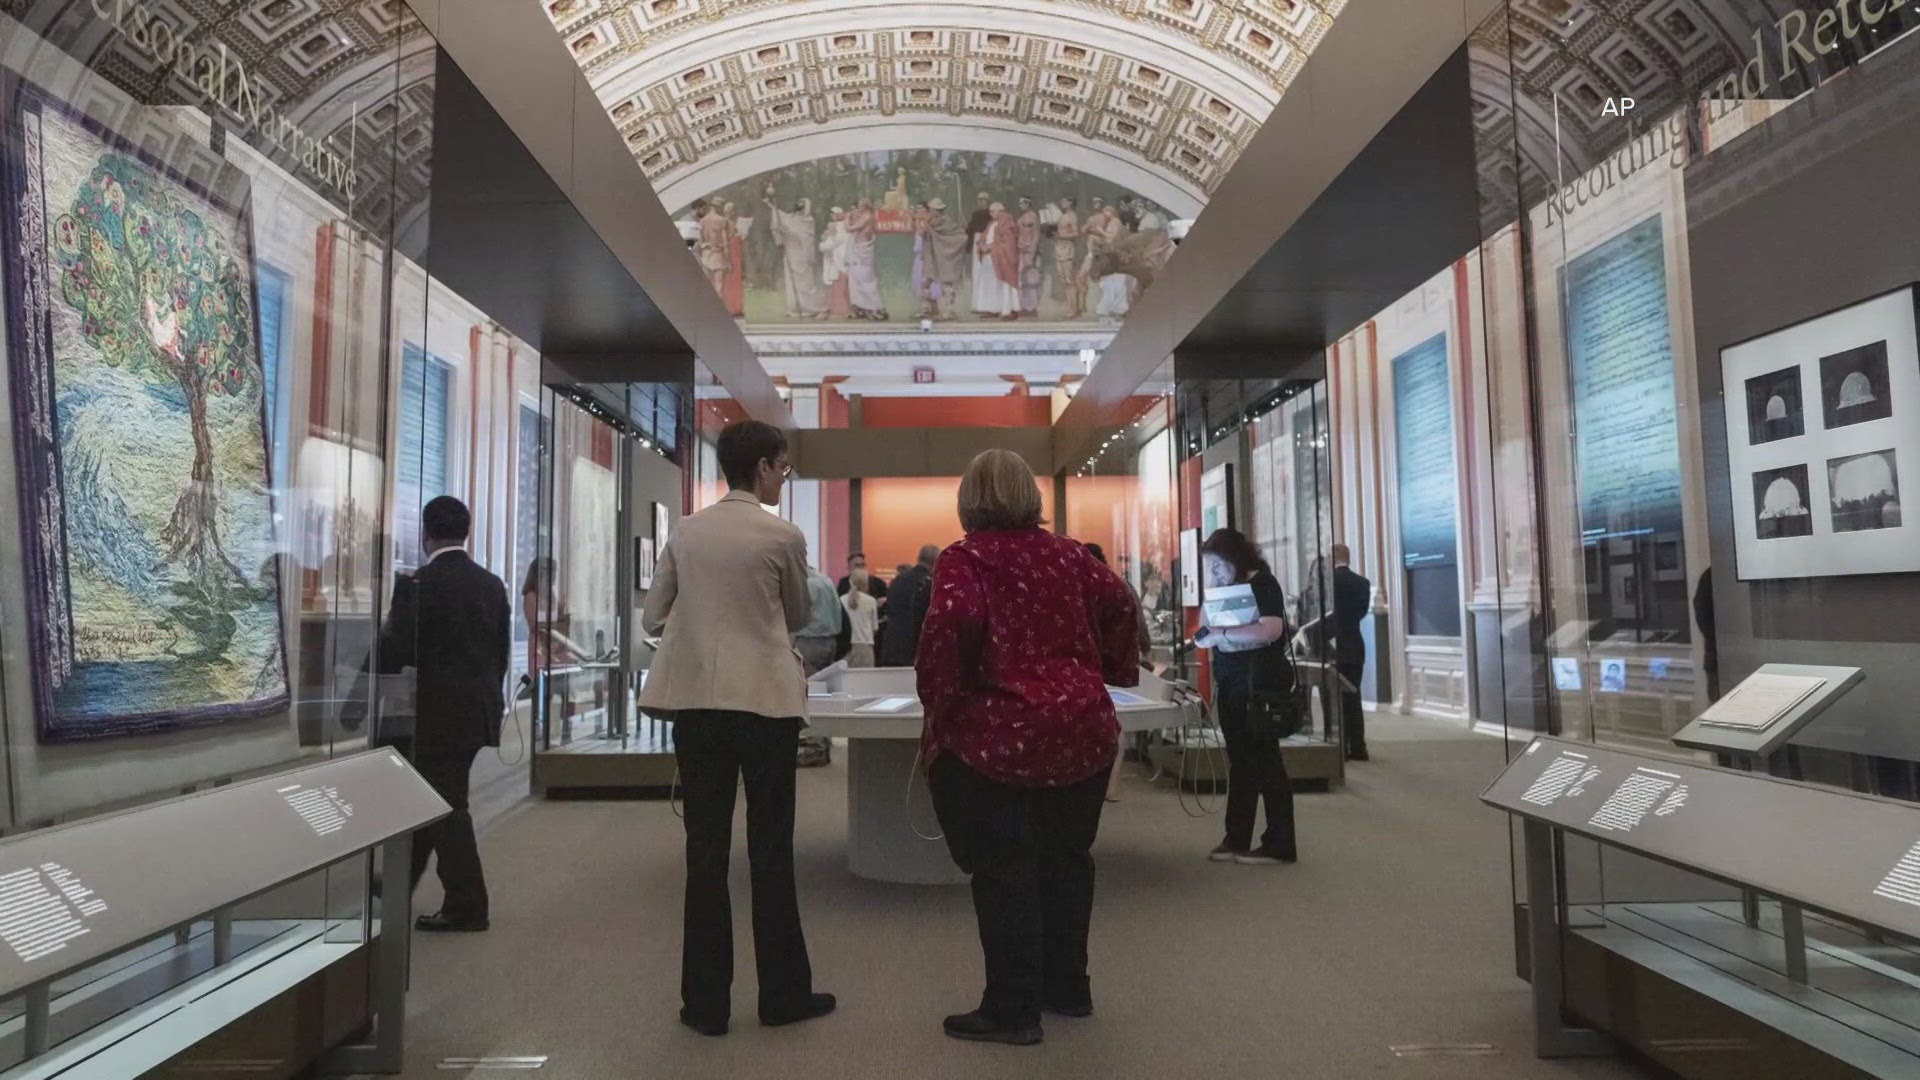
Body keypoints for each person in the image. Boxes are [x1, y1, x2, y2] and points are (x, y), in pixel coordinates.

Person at [919, 450, 1140, 1046]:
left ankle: (1013, 1008)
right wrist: (1114, 671)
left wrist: (940, 706)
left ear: (969, 500)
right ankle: (1067, 987)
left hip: (1000, 740)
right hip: (1083, 733)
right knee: (1068, 860)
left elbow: (951, 624)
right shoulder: (1071, 554)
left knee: (1004, 868)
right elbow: (1123, 604)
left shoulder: (966, 560)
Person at [639, 420, 835, 1037]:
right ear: (763, 467)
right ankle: (782, 995)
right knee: (771, 852)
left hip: (698, 705)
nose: (784, 475)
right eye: (783, 466)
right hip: (766, 705)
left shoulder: (689, 531)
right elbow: (799, 613)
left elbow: (654, 612)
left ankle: (705, 1005)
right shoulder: (781, 535)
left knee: (705, 852)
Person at [363, 496, 511, 932]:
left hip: (435, 715)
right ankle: (396, 883)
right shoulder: (491, 583)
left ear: (425, 533)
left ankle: (468, 903)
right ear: (465, 531)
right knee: (433, 795)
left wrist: (360, 681)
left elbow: (395, 650)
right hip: (477, 710)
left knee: (446, 806)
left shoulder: (418, 584)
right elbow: (499, 651)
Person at [1197, 527, 1297, 866]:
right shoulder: (1231, 587)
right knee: (1241, 762)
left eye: (1218, 566)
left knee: (1266, 761)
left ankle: (1279, 843)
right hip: (1234, 682)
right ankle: (1236, 837)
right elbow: (1204, 624)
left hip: (1258, 684)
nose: (1215, 574)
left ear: (1235, 558)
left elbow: (1271, 629)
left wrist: (1223, 633)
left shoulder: (1263, 584)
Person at [793, 565, 849, 767]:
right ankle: (824, 742)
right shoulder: (826, 581)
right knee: (823, 695)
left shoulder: (806, 584)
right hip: (830, 642)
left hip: (809, 641)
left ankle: (814, 747)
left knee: (808, 695)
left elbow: (797, 616)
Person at [1328, 544, 1372, 761]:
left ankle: (1338, 746)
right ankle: (1358, 746)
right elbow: (1362, 613)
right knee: (1353, 696)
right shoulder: (1363, 583)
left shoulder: (1327, 582)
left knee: (1332, 698)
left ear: (1333, 557)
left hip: (1331, 645)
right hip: (1354, 644)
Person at [766, 188, 829, 320]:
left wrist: (787, 232)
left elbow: (803, 237)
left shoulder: (808, 220)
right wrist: (771, 206)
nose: (799, 207)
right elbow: (780, 216)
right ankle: (795, 308)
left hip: (803, 254)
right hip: (791, 252)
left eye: (802, 205)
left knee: (805, 282)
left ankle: (810, 308)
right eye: (798, 204)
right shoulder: (792, 218)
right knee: (791, 280)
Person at [877, 544, 938, 667]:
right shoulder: (929, 583)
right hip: (914, 648)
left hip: (891, 645)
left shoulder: (898, 579)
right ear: (935, 561)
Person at [921, 198, 971, 321]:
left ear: (938, 210)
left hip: (945, 256)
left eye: (933, 209)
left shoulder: (947, 222)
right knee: (926, 281)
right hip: (934, 256)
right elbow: (923, 233)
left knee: (946, 284)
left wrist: (949, 247)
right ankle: (928, 309)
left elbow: (961, 236)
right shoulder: (930, 221)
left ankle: (949, 311)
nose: (931, 211)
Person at [845, 196, 887, 320]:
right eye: (859, 203)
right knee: (855, 278)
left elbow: (849, 229)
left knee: (865, 279)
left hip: (864, 251)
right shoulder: (862, 216)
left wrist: (847, 218)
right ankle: (860, 307)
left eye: (862, 204)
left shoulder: (867, 216)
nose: (859, 206)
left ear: (867, 206)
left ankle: (875, 307)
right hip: (858, 249)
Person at [1052, 196, 1083, 318]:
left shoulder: (1072, 216)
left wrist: (1062, 235)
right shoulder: (1061, 216)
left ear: (1070, 203)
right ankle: (1071, 308)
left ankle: (1074, 310)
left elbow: (1076, 233)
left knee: (1070, 280)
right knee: (1064, 280)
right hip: (1059, 248)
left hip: (1067, 248)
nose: (1062, 202)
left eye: (1065, 201)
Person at [842, 568, 880, 667]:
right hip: (866, 646)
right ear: (866, 583)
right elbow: (875, 627)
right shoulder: (871, 601)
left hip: (846, 648)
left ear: (850, 581)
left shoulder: (842, 600)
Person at [1015, 196, 1041, 318]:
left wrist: (1032, 253)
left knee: (1031, 279)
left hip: (1029, 251)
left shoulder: (1033, 217)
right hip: (1021, 250)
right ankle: (1024, 306)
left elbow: (1036, 235)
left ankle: (1032, 307)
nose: (1020, 205)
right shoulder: (1021, 218)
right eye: (1019, 203)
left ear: (1028, 204)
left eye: (1022, 203)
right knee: (1023, 280)